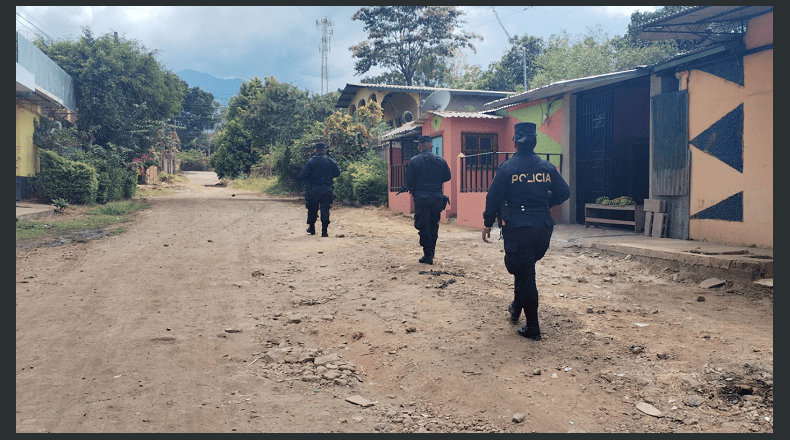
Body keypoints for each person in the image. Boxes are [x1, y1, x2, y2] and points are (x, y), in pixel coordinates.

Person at [481, 122, 570, 341]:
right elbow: (564, 191)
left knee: (524, 272)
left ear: (514, 142)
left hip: (519, 227)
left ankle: (533, 327)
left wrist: (487, 222)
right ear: (535, 141)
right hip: (543, 228)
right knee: (524, 269)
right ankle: (515, 309)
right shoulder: (546, 167)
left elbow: (492, 198)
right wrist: (545, 205)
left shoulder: (507, 168)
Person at [404, 135, 452, 264]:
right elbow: (447, 177)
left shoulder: (414, 161)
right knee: (433, 225)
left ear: (420, 148)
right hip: (436, 197)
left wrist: (416, 192)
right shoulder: (441, 160)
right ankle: (432, 252)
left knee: (423, 226)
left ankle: (428, 254)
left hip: (422, 198)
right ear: (431, 146)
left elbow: (408, 181)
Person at [298, 142, 340, 237]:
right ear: (325, 151)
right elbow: (337, 173)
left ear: (316, 151)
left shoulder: (311, 161)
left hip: (314, 189)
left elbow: (302, 175)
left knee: (312, 208)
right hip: (327, 188)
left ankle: (312, 228)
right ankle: (324, 231)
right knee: (325, 208)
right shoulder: (331, 161)